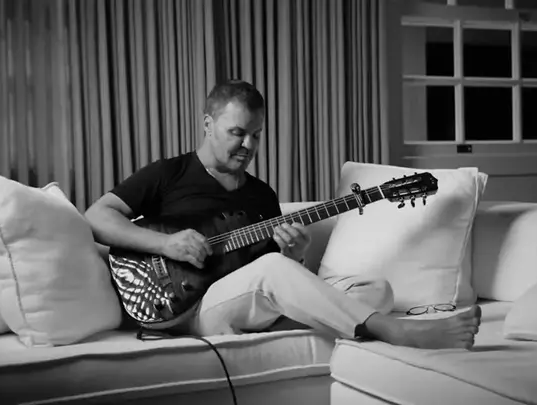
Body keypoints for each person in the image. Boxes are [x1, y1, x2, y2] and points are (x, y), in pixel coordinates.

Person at [85, 79, 481, 349]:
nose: (248, 145)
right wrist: (166, 244)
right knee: (275, 270)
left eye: (256, 135)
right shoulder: (168, 173)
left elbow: (271, 274)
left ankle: (338, 322)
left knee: (376, 289)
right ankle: (396, 331)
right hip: (188, 307)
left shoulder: (262, 194)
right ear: (208, 124)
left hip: (249, 302)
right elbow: (98, 215)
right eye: (237, 132)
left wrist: (296, 255)